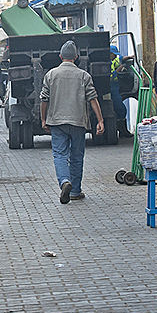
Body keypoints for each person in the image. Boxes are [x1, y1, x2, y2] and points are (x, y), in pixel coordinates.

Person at [39, 40, 105, 204]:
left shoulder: (51, 75)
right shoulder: (84, 75)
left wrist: (43, 118)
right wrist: (100, 120)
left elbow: (44, 99)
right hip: (78, 122)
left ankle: (64, 181)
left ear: (60, 56)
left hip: (57, 122)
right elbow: (93, 98)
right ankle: (75, 190)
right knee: (76, 156)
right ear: (76, 57)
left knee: (60, 155)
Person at [109, 46, 134, 139]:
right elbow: (111, 75)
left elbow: (120, 58)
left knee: (121, 109)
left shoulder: (114, 60)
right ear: (110, 54)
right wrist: (120, 68)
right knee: (120, 109)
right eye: (114, 54)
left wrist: (129, 57)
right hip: (111, 87)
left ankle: (123, 130)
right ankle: (122, 130)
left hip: (115, 86)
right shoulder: (107, 63)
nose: (115, 56)